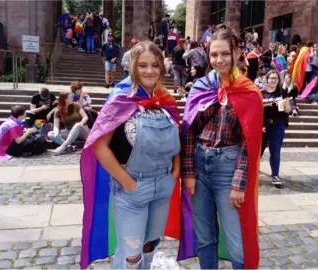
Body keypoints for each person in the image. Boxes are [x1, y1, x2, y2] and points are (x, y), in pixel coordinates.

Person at [79, 41, 181, 269]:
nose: (149, 70)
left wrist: (175, 170)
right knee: (131, 254)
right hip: (132, 190)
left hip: (163, 187)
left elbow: (177, 135)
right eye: (143, 65)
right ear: (133, 66)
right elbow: (99, 145)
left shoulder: (165, 100)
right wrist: (127, 182)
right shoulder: (120, 98)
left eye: (155, 65)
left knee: (150, 246)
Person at [180, 26, 263, 269]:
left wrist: (238, 184)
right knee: (205, 239)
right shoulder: (199, 88)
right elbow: (188, 134)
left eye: (225, 54)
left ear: (237, 52)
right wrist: (187, 172)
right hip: (198, 165)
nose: (219, 60)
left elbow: (250, 143)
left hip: (228, 167)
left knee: (236, 241)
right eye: (214, 54)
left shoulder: (249, 92)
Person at [261, 70, 291, 186]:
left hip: (278, 125)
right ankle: (251, 173)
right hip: (263, 125)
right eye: (271, 78)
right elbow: (257, 110)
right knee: (258, 151)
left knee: (275, 151)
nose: (273, 80)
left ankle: (275, 175)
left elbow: (288, 110)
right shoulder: (261, 92)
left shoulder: (282, 92)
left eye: (276, 78)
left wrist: (285, 104)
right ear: (267, 79)